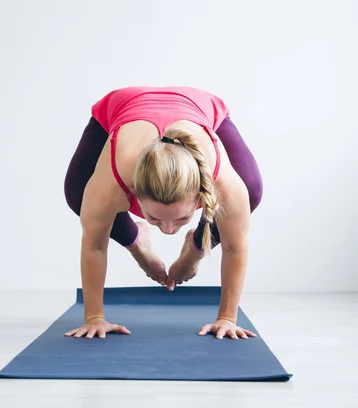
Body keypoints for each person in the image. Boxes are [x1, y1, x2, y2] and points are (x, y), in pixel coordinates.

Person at [63, 86, 263, 341]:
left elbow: (235, 247)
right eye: (154, 219)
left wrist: (227, 318)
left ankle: (195, 246)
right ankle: (139, 244)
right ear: (132, 194)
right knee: (80, 196)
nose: (168, 230)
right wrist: (94, 317)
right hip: (123, 105)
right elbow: (94, 246)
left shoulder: (222, 183)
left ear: (203, 195)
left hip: (197, 105)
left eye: (181, 218)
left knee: (250, 191)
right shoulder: (112, 183)